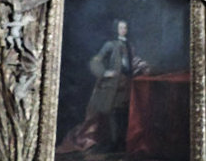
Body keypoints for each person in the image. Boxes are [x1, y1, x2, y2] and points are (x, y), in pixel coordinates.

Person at [57, 19, 148, 154]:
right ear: (116, 29)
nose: (124, 30)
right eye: (121, 27)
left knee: (123, 112)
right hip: (110, 85)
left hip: (126, 84)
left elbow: (132, 61)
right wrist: (105, 72)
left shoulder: (129, 45)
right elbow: (96, 61)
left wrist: (142, 66)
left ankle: (121, 143)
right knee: (109, 113)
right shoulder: (110, 45)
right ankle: (111, 142)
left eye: (125, 27)